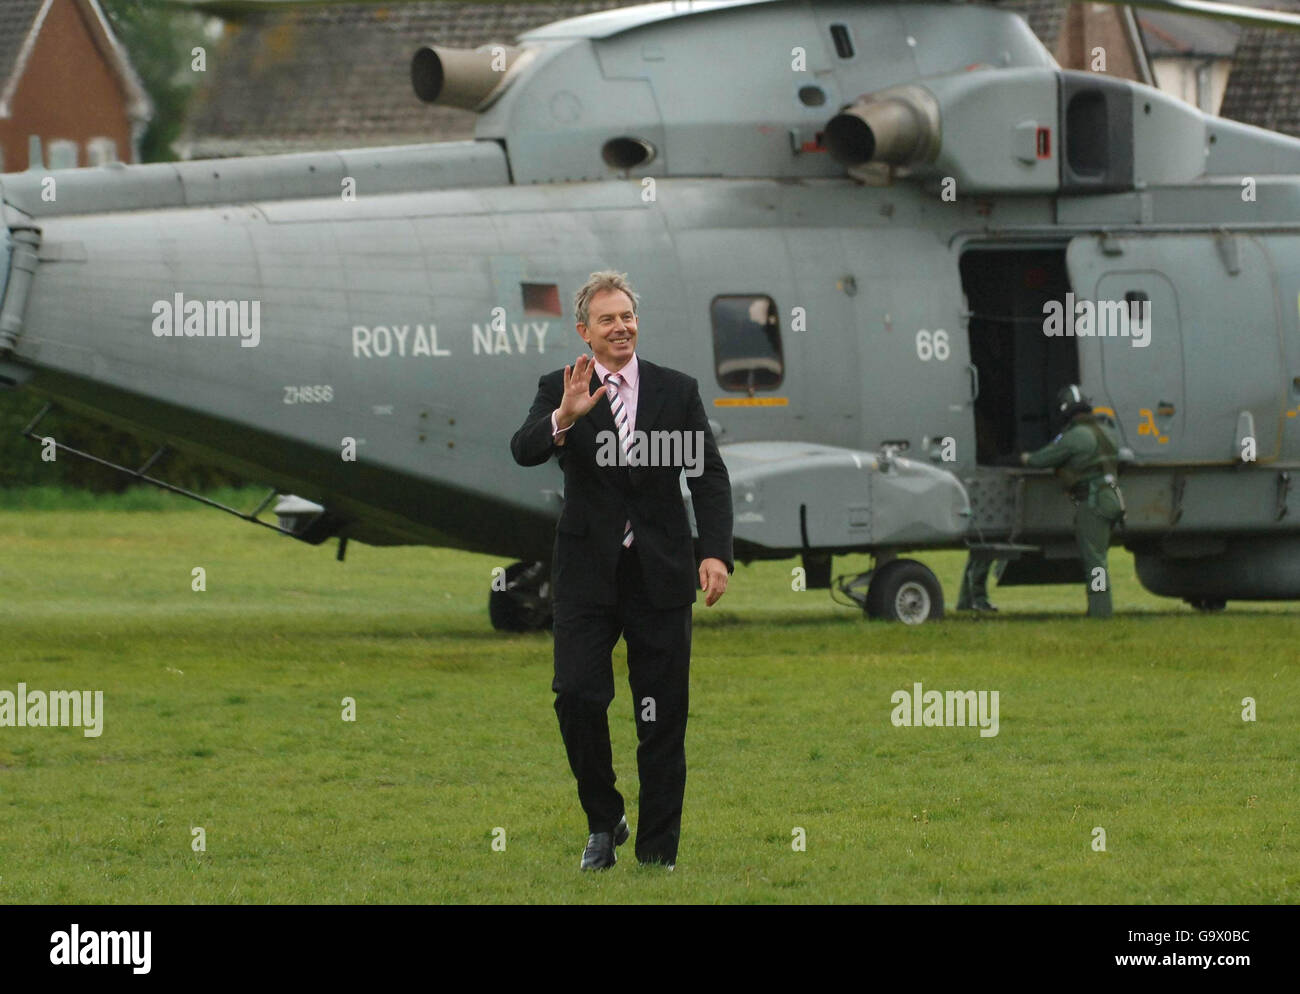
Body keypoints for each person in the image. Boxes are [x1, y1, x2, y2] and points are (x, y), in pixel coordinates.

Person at [510, 271, 733, 871]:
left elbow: (707, 473)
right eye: (606, 319)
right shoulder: (561, 387)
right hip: (587, 574)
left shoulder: (674, 390)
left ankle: (659, 853)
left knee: (660, 714)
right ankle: (604, 822)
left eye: (627, 316)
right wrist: (563, 417)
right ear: (584, 332)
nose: (621, 327)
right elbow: (524, 448)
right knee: (577, 696)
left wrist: (713, 551)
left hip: (659, 574)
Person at [1016, 385, 1125, 618]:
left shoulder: (1074, 437)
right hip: (1113, 498)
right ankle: (1100, 609)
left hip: (1093, 501)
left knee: (1095, 561)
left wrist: (1023, 457)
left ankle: (1100, 611)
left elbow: (1039, 460)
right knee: (1099, 557)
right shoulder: (1108, 432)